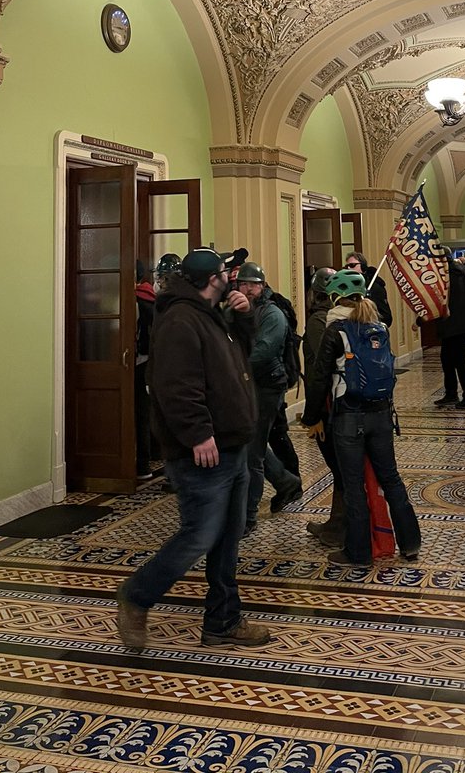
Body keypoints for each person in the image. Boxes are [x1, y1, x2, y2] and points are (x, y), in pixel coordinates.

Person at [116, 248, 271, 651]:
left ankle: (222, 620)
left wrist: (243, 316)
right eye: (224, 273)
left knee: (227, 538)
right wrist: (199, 433)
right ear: (208, 281)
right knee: (199, 535)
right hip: (204, 452)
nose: (230, 279)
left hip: (232, 445)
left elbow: (241, 358)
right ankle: (137, 594)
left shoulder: (211, 315)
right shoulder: (181, 321)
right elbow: (175, 386)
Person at [302, 269, 420, 567]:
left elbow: (319, 378)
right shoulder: (378, 326)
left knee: (353, 485)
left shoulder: (335, 329)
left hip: (349, 417)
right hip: (381, 413)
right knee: (391, 478)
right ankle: (410, 543)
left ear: (334, 297)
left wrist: (310, 417)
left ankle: (358, 552)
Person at [231, 260, 302, 534]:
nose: (247, 289)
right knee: (254, 443)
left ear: (262, 285)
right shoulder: (243, 309)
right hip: (249, 385)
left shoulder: (273, 314)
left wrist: (232, 368)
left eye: (252, 284)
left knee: (252, 454)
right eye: (243, 284)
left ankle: (248, 517)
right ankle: (286, 482)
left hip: (267, 387)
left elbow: (263, 352)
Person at [301, 266, 344, 545]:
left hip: (330, 405)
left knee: (339, 468)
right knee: (343, 468)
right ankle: (337, 523)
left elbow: (320, 368)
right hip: (348, 403)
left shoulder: (320, 321)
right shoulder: (350, 316)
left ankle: (340, 527)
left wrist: (311, 414)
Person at [434, 249, 465, 409]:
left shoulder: (442, 274)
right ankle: (452, 393)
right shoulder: (462, 268)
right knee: (449, 358)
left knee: (456, 359)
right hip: (462, 322)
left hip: (452, 322)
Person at [134, 260, 156, 479]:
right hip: (150, 361)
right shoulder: (151, 297)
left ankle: (141, 464)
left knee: (139, 414)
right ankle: (145, 462)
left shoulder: (134, 300)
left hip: (137, 363)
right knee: (144, 413)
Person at [344, 251, 393, 327]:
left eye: (352, 265)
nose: (349, 268)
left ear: (363, 266)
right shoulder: (347, 288)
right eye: (346, 266)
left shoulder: (374, 287)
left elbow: (386, 318)